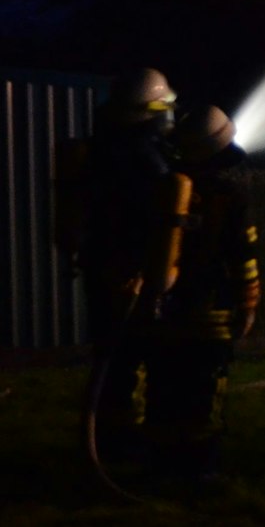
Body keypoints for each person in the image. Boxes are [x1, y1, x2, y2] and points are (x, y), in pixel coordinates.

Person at [52, 67, 181, 462]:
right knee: (135, 357)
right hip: (133, 272)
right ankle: (128, 444)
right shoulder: (143, 157)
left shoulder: (102, 148)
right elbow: (147, 218)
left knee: (112, 354)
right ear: (150, 111)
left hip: (102, 268)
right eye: (163, 107)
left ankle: (111, 437)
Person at [145, 104, 260, 484]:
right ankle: (201, 470)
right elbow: (243, 255)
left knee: (165, 386)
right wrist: (249, 301)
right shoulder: (230, 196)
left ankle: (161, 464)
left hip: (167, 309)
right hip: (211, 311)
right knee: (205, 388)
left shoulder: (165, 188)